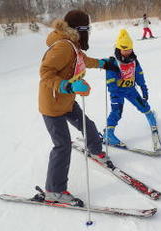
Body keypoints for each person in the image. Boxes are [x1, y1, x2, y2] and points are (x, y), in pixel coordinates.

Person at [39, 10, 117, 206]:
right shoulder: (64, 47)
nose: (89, 32)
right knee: (62, 145)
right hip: (52, 105)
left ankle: (94, 150)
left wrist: (102, 64)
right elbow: (45, 73)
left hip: (66, 101)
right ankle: (53, 191)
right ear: (80, 29)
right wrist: (69, 85)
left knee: (86, 124)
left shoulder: (72, 44)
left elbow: (83, 60)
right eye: (88, 29)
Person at [102, 29, 158, 146]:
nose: (127, 52)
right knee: (116, 112)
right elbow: (111, 79)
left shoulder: (134, 60)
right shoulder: (113, 62)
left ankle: (151, 117)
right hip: (117, 92)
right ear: (118, 48)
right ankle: (109, 133)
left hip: (131, 90)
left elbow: (139, 74)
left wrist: (143, 87)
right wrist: (114, 91)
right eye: (124, 49)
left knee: (142, 105)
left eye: (129, 49)